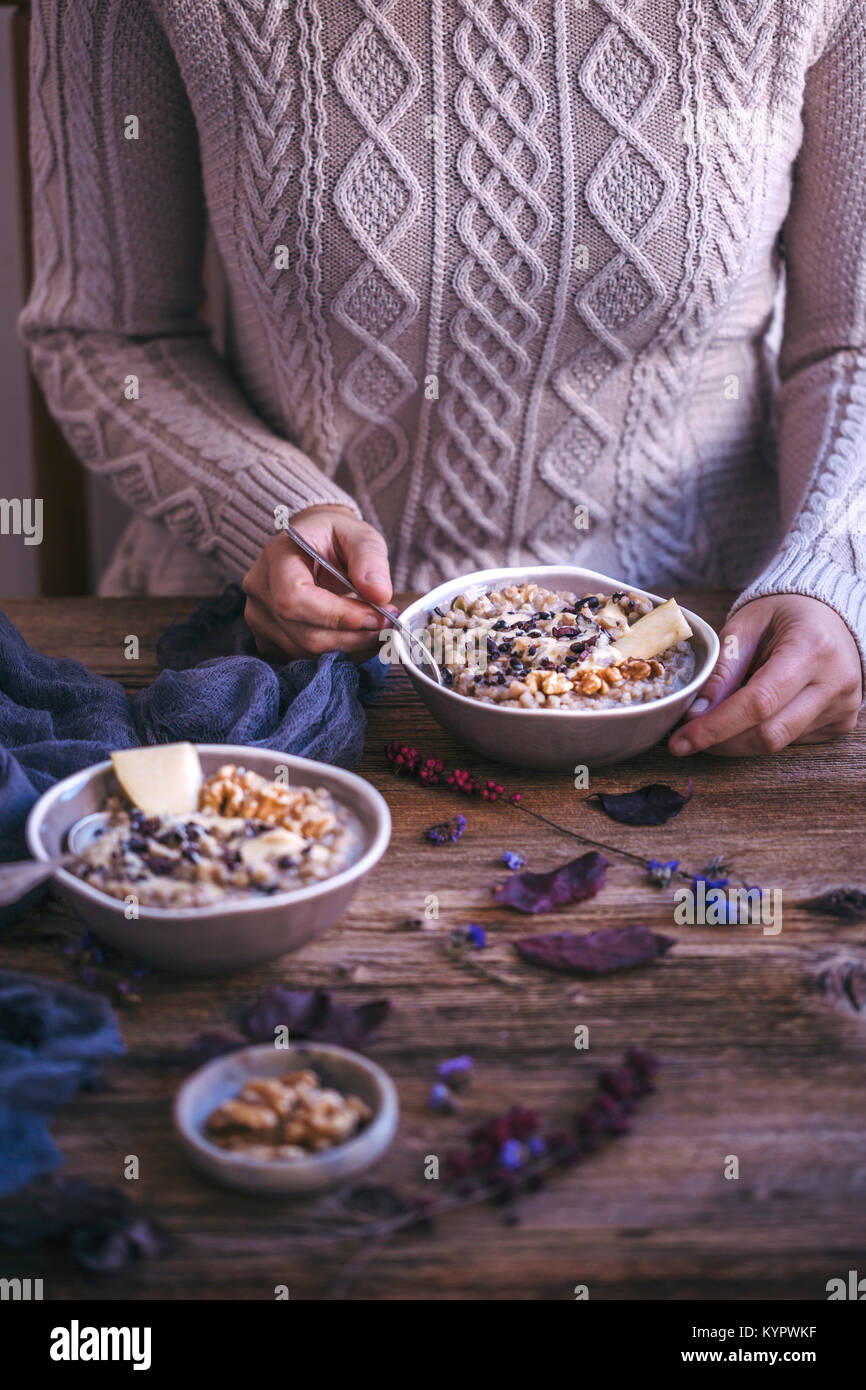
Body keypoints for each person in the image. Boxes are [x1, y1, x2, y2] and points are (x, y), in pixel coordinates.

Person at [19, 0, 865, 756]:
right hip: (266, 671)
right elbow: (103, 332)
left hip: (708, 663)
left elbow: (847, 347)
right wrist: (269, 511)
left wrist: (829, 572)